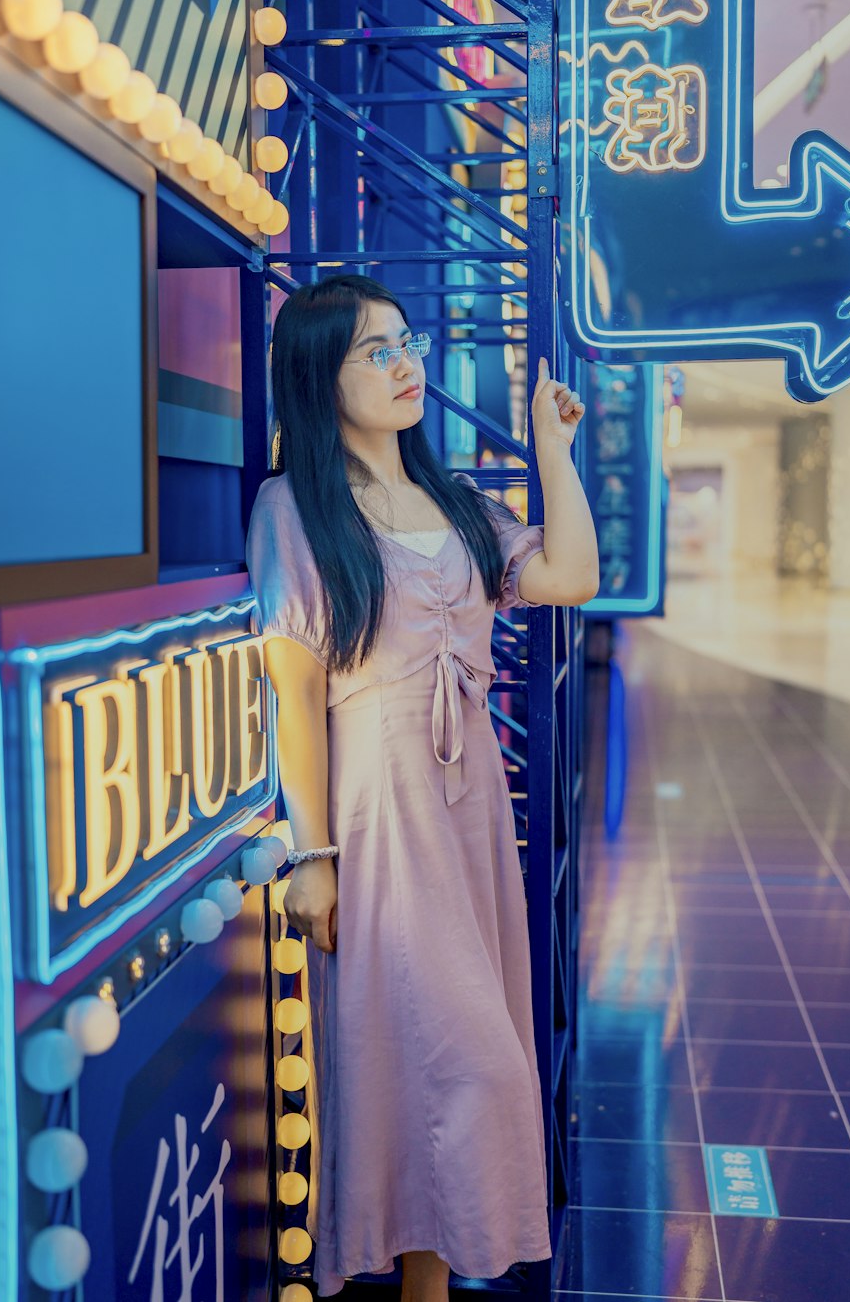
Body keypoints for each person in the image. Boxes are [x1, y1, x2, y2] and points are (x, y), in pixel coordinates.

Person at [245, 274, 598, 1300]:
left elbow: (570, 576)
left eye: (406, 343)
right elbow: (293, 696)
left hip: (467, 807)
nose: (407, 366)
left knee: (445, 1061)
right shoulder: (293, 508)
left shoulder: (454, 504)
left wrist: (553, 453)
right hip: (379, 809)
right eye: (374, 351)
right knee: (454, 1060)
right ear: (319, 377)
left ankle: (427, 1286)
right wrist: (310, 854)